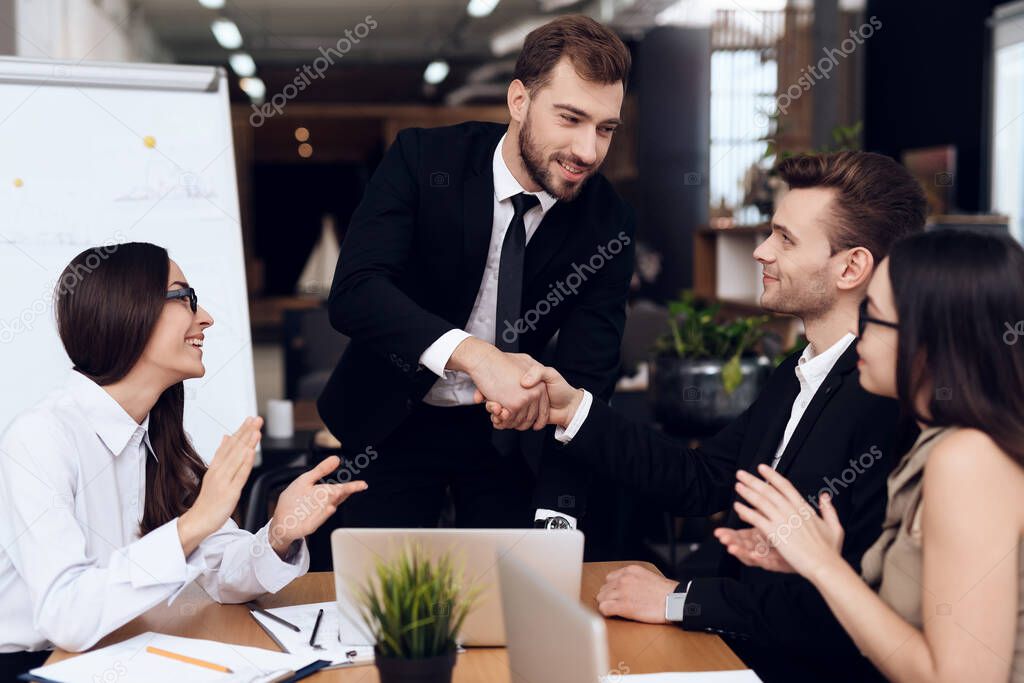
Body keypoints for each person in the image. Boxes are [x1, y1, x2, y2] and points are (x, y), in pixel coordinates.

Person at [483, 151, 928, 681]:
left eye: (785, 239)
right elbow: (703, 479)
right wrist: (572, 408)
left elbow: (842, 605)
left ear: (851, 266)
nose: (761, 250)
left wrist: (678, 600)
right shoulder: (799, 369)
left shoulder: (886, 402)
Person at [315, 15, 635, 536]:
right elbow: (356, 292)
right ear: (518, 101)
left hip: (509, 440)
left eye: (605, 129)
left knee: (508, 603)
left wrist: (558, 511)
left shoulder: (608, 220)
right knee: (383, 599)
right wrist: (478, 358)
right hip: (391, 421)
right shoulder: (423, 160)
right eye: (570, 119)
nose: (588, 151)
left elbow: (589, 375)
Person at [0, 243, 366, 671]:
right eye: (183, 298)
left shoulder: (155, 435)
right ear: (127, 309)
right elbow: (66, 617)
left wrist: (278, 535)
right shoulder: (41, 436)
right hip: (35, 666)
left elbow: (225, 575)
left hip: (118, 653)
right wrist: (192, 525)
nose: (205, 317)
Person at [718, 229, 1024, 682]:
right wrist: (823, 563)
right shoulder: (940, 443)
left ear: (928, 344)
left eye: (873, 317)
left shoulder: (968, 458)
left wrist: (824, 568)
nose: (857, 332)